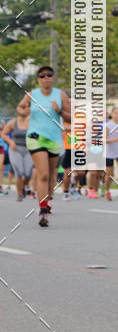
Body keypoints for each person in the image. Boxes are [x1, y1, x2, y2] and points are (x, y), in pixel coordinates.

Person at [18, 66, 71, 227]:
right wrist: (23, 112)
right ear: (38, 79)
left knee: (51, 175)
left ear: (53, 77)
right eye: (42, 76)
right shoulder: (32, 94)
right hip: (36, 138)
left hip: (54, 140)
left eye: (49, 75)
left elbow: (71, 117)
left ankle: (47, 201)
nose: (46, 77)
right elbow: (20, 107)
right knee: (43, 175)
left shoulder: (60, 95)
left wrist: (59, 111)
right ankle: (42, 210)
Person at [2, 109, 34, 201]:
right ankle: (19, 194)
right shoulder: (13, 122)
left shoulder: (32, 123)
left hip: (29, 149)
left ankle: (22, 186)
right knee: (19, 173)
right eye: (22, 108)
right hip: (15, 149)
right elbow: (3, 134)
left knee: (28, 174)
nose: (25, 110)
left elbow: (37, 135)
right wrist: (10, 142)